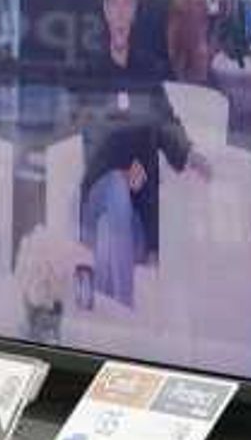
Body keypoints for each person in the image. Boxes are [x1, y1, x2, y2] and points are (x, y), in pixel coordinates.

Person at [79, 107, 203, 311]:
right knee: (118, 186)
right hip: (94, 192)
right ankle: (123, 306)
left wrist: (153, 248)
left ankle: (117, 305)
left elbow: (148, 194)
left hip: (124, 208)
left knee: (124, 194)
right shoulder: (127, 131)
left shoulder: (148, 142)